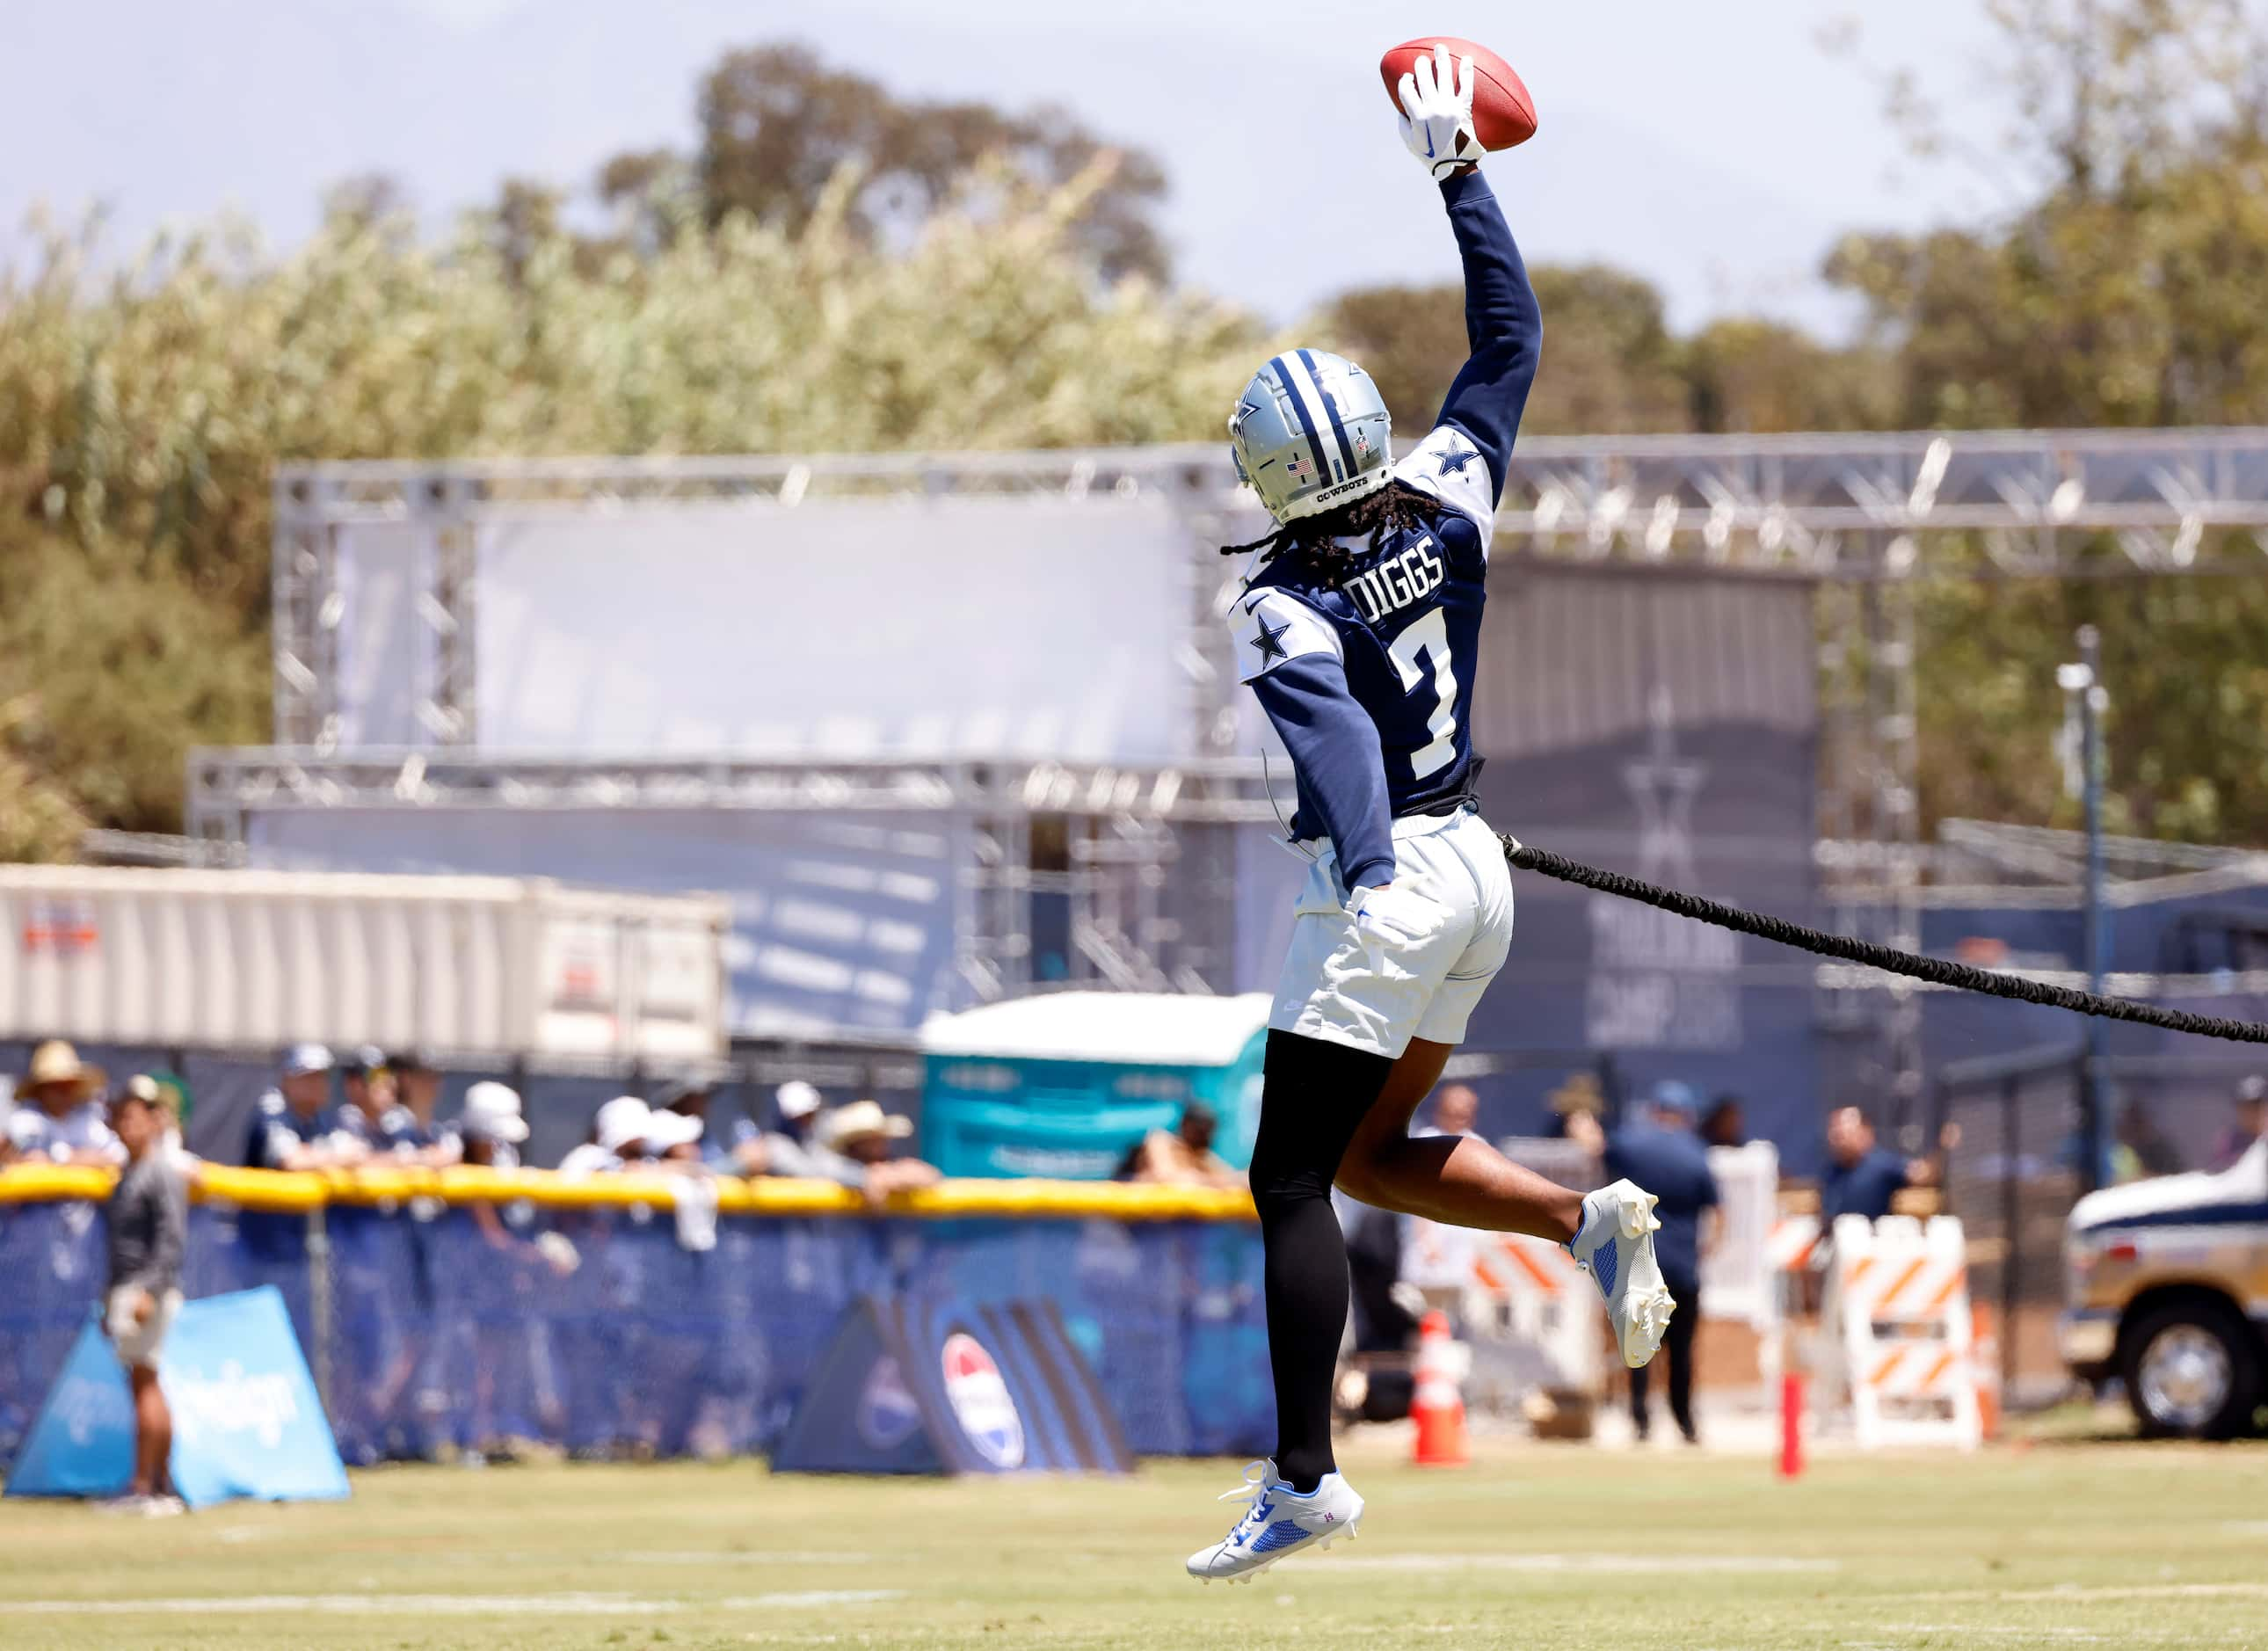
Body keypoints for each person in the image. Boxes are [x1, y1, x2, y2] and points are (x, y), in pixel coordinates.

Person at [1186, 51, 1671, 1585]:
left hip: (1395, 872)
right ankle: (1582, 1220)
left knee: (1283, 1175)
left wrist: (1357, 850)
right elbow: (1510, 336)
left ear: (1269, 467)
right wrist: (1459, 166)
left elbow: (1331, 742)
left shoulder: (1279, 596)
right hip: (1480, 862)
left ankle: (1305, 1475)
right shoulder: (1452, 490)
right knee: (1374, 1150)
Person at [1568, 1082, 1719, 1444]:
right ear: (1685, 1115)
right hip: (1684, 1266)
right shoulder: (1697, 1154)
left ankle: (1640, 1420)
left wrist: (1580, 1121)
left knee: (1638, 1346)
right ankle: (1685, 1422)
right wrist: (1704, 1251)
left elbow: (1595, 1148)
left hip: (1639, 1263)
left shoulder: (1633, 1144)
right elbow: (1717, 1213)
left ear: (1655, 1111)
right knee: (1681, 1350)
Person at [103, 1075, 187, 1516]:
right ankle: (160, 1484)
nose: (126, 1125)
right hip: (128, 1287)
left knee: (145, 1384)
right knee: (144, 1382)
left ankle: (146, 1485)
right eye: (121, 1116)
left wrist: (148, 1291)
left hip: (146, 1290)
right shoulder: (128, 1172)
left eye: (135, 1116)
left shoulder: (160, 1172)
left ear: (155, 1121)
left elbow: (171, 1240)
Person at [1821, 1105, 1958, 1225]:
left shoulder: (1881, 1164)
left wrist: (1941, 1149)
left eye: (1844, 1133)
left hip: (1871, 1243)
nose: (1838, 1140)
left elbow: (1923, 1175)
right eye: (1835, 1133)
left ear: (1864, 1132)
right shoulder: (1831, 1170)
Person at [6, 1040, 124, 1166]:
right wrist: (82, 1158)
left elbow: (119, 1155)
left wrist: (67, 1159)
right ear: (40, 1090)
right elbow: (34, 1157)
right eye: (56, 1086)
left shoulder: (87, 1122)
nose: (64, 1092)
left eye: (69, 1085)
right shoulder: (25, 1120)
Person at [814, 1101, 941, 1207]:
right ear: (855, 1143)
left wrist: (895, 1175)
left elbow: (930, 1175)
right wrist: (878, 1177)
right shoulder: (836, 1167)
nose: (881, 1144)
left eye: (881, 1138)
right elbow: (854, 1176)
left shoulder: (887, 1164)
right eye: (872, 1139)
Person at [244, 1044, 349, 1171]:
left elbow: (356, 1153)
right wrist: (335, 1156)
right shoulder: (272, 1110)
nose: (319, 1083)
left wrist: (313, 1153)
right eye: (309, 1076)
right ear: (287, 1080)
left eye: (322, 1076)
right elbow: (290, 1162)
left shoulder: (322, 1115)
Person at [1118, 1102, 1244, 1189]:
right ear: (1186, 1125)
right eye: (1200, 1130)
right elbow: (1166, 1178)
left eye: (1208, 1131)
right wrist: (1214, 1182)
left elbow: (1231, 1177)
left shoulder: (1200, 1155)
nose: (1205, 1135)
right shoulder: (1161, 1141)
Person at [2208, 1076, 2267, 1172]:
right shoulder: (2230, 1140)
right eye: (2246, 1108)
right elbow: (2218, 1173)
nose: (2251, 1113)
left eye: (2256, 1108)